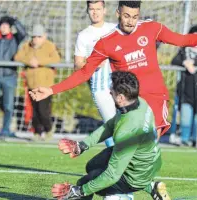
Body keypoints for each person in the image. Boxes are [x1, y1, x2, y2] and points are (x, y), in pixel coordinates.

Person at [29, 1, 197, 139]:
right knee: (127, 150)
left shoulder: (152, 28)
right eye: (127, 16)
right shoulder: (106, 43)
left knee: (145, 142)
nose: (131, 21)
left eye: (135, 17)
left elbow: (181, 40)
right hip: (129, 102)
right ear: (118, 13)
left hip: (155, 98)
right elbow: (84, 72)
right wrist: (51, 89)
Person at [51, 71, 170, 200]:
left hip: (135, 177)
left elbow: (112, 175)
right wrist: (82, 145)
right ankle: (151, 186)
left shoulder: (127, 132)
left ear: (120, 98)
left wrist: (79, 191)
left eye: (112, 90)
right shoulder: (140, 103)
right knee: (91, 166)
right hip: (150, 161)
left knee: (85, 182)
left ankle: (123, 195)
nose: (109, 92)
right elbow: (110, 126)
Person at [74, 1, 117, 147]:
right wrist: (91, 64)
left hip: (121, 85)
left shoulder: (115, 29)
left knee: (126, 123)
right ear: (87, 11)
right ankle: (113, 160)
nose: (95, 12)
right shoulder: (84, 35)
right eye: (91, 9)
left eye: (98, 9)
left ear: (104, 10)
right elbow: (77, 65)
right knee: (112, 124)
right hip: (100, 87)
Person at [14, 24, 61, 141]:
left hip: (46, 86)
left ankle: (48, 129)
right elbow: (17, 57)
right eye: (34, 37)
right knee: (34, 112)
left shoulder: (50, 46)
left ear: (44, 36)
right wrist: (29, 62)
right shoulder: (27, 46)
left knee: (43, 111)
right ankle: (38, 132)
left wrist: (39, 62)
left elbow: (56, 59)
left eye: (39, 37)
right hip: (31, 84)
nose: (36, 39)